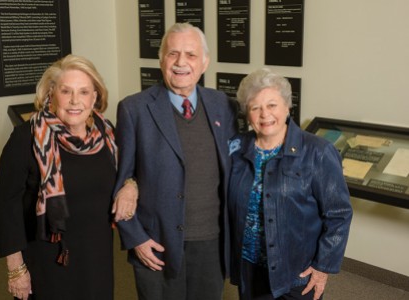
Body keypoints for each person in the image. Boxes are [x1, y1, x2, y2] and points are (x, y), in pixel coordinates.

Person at [0, 54, 136, 300]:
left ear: (95, 97)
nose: (75, 101)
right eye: (66, 91)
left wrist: (130, 185)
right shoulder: (26, 138)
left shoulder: (107, 134)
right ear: (51, 94)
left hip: (97, 259)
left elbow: (126, 173)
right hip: (47, 259)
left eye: (84, 92)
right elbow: (6, 206)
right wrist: (16, 270)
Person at [113, 23, 237, 300]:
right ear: (161, 60)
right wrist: (136, 238)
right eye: (173, 54)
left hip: (211, 241)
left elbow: (236, 166)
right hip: (156, 242)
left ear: (204, 63)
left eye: (191, 55)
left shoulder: (223, 105)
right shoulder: (134, 109)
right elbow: (119, 178)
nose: (181, 62)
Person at [227, 68, 353, 300]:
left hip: (297, 273)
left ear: (287, 107)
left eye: (272, 105)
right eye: (255, 107)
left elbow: (339, 213)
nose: (265, 114)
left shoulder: (318, 151)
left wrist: (323, 266)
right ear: (247, 113)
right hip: (249, 265)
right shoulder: (236, 147)